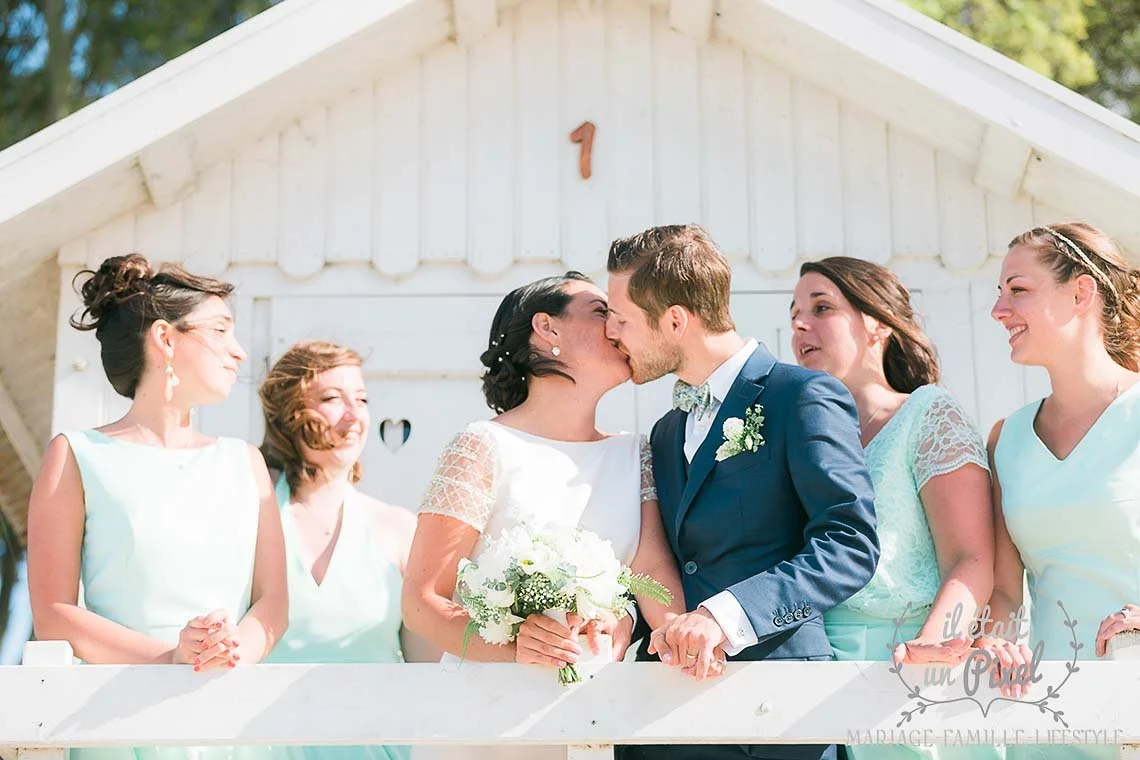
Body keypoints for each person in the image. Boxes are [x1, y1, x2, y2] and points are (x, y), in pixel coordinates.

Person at [605, 225, 879, 760]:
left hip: (781, 715)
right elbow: (671, 562)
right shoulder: (664, 431)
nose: (614, 333)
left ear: (676, 321)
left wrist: (723, 618)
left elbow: (850, 544)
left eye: (622, 319)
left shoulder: (801, 396)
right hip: (670, 719)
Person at [402, 272, 690, 760]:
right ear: (547, 329)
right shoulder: (483, 445)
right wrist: (517, 645)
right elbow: (422, 601)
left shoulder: (633, 452)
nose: (619, 323)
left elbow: (650, 573)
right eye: (601, 312)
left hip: (592, 710)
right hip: (484, 720)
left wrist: (637, 630)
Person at [26, 253, 288, 760]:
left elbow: (273, 601)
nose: (238, 353)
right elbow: (53, 614)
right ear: (166, 339)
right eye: (220, 330)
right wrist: (169, 659)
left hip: (234, 727)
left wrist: (227, 655)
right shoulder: (77, 456)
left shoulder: (246, 462)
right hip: (118, 726)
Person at [791, 257, 998, 760]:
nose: (800, 324)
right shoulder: (799, 435)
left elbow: (971, 557)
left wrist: (933, 653)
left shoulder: (927, 414)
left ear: (878, 322)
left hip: (909, 671)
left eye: (822, 307)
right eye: (794, 312)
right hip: (809, 687)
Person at [981, 222, 1140, 760]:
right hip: (1053, 721)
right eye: (999, 293)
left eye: (1017, 290)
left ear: (1081, 292)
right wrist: (992, 639)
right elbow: (1005, 593)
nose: (999, 310)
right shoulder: (1006, 440)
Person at [258, 340, 438, 760]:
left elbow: (429, 670)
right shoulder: (252, 518)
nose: (354, 415)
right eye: (332, 399)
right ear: (288, 414)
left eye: (361, 399)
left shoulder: (398, 529)